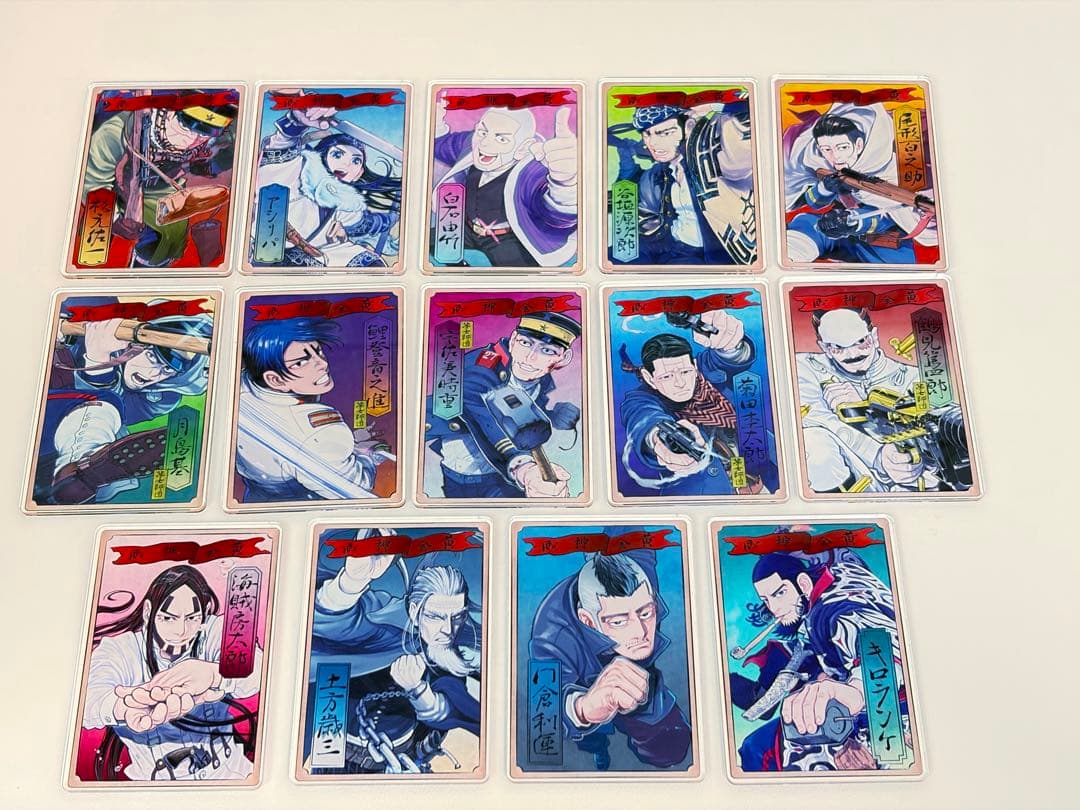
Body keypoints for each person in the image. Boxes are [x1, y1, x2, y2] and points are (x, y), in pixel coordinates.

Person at [310, 538, 482, 772]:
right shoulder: (386, 622)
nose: (448, 629)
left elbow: (449, 705)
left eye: (457, 617)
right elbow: (337, 622)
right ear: (414, 611)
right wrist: (351, 581)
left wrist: (417, 689)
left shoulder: (451, 655)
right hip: (335, 748)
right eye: (435, 617)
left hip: (402, 762)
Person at [729, 550, 905, 772]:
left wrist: (856, 692)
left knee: (759, 749)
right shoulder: (827, 586)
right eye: (766, 600)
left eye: (780, 593)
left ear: (803, 583)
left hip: (885, 715)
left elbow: (880, 653)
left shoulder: (837, 609)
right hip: (866, 707)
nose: (774, 608)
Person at [83, 565, 262, 781]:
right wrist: (124, 706)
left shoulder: (216, 630)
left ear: (205, 612)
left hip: (232, 771)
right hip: (156, 787)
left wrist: (214, 674)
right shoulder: (121, 650)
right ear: (148, 612)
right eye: (168, 618)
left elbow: (258, 669)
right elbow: (87, 698)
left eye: (192, 618)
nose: (181, 630)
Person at [529, 550, 691, 771]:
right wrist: (582, 709)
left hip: (639, 676)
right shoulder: (551, 635)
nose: (641, 632)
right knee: (591, 738)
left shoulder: (640, 572)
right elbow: (543, 722)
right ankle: (598, 747)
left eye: (645, 613)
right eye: (618, 622)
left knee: (671, 747)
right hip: (583, 685)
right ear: (588, 620)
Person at [37, 302, 212, 505]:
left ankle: (80, 471)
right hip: (35, 413)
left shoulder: (164, 397)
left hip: (50, 441)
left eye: (167, 370)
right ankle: (81, 465)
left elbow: (119, 412)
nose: (153, 375)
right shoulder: (92, 316)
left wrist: (97, 361)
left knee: (109, 412)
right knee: (104, 401)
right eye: (151, 357)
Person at [425, 310, 582, 499]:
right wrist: (522, 467)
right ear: (514, 339)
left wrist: (551, 415)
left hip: (499, 479)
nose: (530, 357)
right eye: (526, 343)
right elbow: (478, 407)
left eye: (547, 350)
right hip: (459, 475)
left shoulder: (541, 380)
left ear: (564, 358)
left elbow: (522, 416)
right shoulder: (481, 364)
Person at [236, 316, 387, 502]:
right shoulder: (319, 433)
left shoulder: (241, 383)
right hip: (300, 506)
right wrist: (365, 456)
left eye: (318, 351)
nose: (323, 364)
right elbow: (357, 486)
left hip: (257, 495)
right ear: (275, 380)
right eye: (300, 362)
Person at [83, 91, 238, 267]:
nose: (193, 140)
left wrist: (212, 166)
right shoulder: (115, 133)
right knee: (95, 240)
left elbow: (232, 144)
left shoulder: (209, 136)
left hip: (160, 188)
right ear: (167, 112)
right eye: (185, 128)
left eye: (202, 135)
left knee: (169, 238)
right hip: (111, 187)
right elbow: (93, 183)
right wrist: (115, 220)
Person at [619, 309, 758, 496]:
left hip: (758, 473)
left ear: (693, 365)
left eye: (685, 372)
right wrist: (657, 438)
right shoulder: (641, 399)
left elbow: (729, 357)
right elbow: (642, 416)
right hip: (709, 494)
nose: (680, 383)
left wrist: (731, 343)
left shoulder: (705, 371)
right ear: (649, 378)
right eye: (667, 376)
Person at [253, 94, 401, 268]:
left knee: (370, 264)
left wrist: (394, 214)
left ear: (359, 173)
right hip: (267, 250)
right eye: (337, 155)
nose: (347, 164)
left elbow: (366, 224)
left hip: (318, 256)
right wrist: (296, 123)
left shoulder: (346, 202)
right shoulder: (300, 171)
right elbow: (281, 147)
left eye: (356, 161)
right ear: (322, 155)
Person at [795, 307, 929, 493]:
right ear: (825, 348)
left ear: (874, 336)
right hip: (853, 480)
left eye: (860, 342)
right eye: (838, 347)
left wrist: (863, 409)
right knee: (812, 442)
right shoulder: (805, 367)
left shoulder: (914, 378)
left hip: (911, 484)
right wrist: (877, 455)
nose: (852, 354)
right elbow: (811, 418)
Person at [784, 103, 938, 264]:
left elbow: (889, 217)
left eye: (842, 147)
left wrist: (853, 220)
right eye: (826, 149)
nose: (835, 156)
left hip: (882, 250)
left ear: (858, 145)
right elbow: (814, 202)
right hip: (838, 235)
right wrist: (825, 188)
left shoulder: (890, 171)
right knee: (805, 224)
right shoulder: (825, 165)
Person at [431, 102, 578, 267]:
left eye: (501, 139)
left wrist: (564, 182)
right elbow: (444, 145)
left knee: (516, 276)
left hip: (506, 239)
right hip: (467, 229)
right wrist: (436, 121)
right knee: (429, 242)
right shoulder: (471, 144)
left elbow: (556, 216)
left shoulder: (533, 174)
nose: (484, 143)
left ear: (523, 148)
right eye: (483, 132)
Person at [609, 102, 754, 265]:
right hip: (666, 245)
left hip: (706, 256)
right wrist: (627, 162)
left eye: (665, 133)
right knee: (616, 255)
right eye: (647, 134)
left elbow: (755, 114)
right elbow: (625, 200)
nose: (652, 143)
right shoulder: (659, 174)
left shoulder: (717, 161)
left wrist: (714, 107)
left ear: (689, 127)